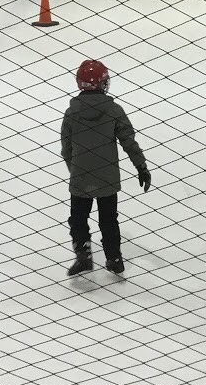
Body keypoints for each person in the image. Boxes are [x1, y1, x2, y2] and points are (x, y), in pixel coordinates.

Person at [62, 59, 150, 276]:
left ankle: (83, 255)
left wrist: (76, 170)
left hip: (81, 177)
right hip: (107, 178)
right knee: (109, 219)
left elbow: (66, 148)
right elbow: (128, 141)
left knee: (78, 218)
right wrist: (141, 166)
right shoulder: (114, 111)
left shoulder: (72, 113)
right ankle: (114, 258)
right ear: (103, 83)